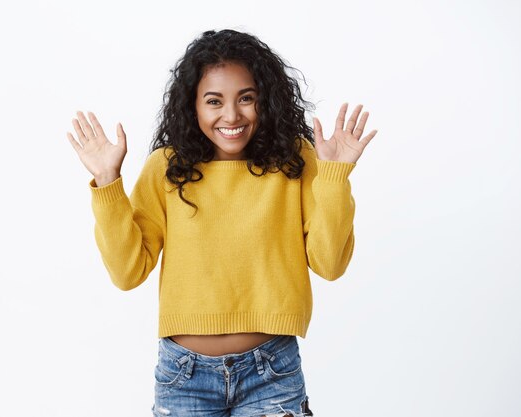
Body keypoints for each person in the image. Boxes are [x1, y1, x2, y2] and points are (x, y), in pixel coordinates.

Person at [67, 29, 377, 417]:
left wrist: (335, 176)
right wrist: (108, 183)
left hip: (272, 372)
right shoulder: (167, 167)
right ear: (192, 105)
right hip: (184, 377)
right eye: (214, 101)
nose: (231, 115)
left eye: (246, 98)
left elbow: (330, 265)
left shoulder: (295, 162)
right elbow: (128, 272)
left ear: (266, 99)